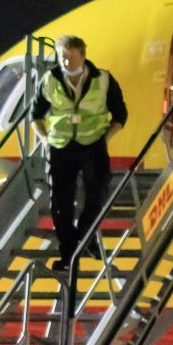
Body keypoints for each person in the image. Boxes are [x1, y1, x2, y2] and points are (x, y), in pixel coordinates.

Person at [31, 34, 128, 271]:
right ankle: (70, 253)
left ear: (83, 56)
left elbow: (120, 115)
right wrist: (45, 139)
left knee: (98, 192)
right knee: (60, 201)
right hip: (60, 145)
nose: (65, 63)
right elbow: (35, 114)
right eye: (62, 58)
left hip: (92, 142)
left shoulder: (103, 79)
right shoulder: (49, 79)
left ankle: (85, 236)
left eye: (70, 58)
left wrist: (105, 138)